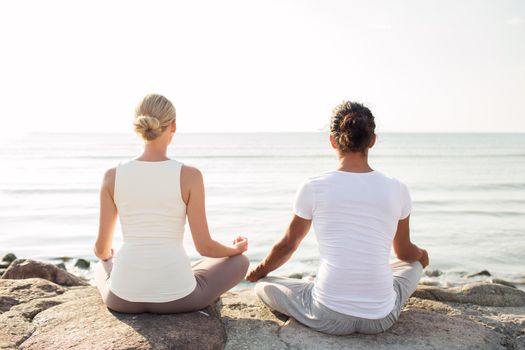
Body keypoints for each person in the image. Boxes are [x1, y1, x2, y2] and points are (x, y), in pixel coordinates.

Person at [246, 101, 429, 335]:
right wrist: (423, 256)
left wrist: (260, 270)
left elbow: (288, 246)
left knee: (264, 286)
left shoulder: (314, 186)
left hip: (328, 316)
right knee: (412, 265)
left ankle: (315, 283)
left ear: (333, 141)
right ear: (372, 140)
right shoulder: (398, 188)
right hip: (381, 318)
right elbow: (404, 252)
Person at [93, 94, 249, 314]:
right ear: (173, 126)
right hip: (179, 297)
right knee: (240, 262)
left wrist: (108, 256)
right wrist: (234, 249)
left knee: (102, 264)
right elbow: (204, 247)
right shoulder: (190, 176)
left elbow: (101, 249)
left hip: (122, 299)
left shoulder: (112, 176)